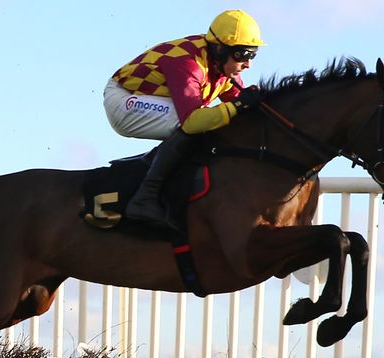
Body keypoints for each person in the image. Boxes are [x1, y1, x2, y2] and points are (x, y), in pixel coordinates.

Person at [103, 9, 264, 231]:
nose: (248, 64)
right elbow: (192, 121)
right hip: (123, 101)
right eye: (243, 55)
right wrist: (237, 106)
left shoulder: (222, 65)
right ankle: (144, 198)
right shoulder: (188, 63)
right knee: (198, 124)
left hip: (150, 98)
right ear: (220, 49)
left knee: (215, 121)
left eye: (252, 55)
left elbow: (241, 109)